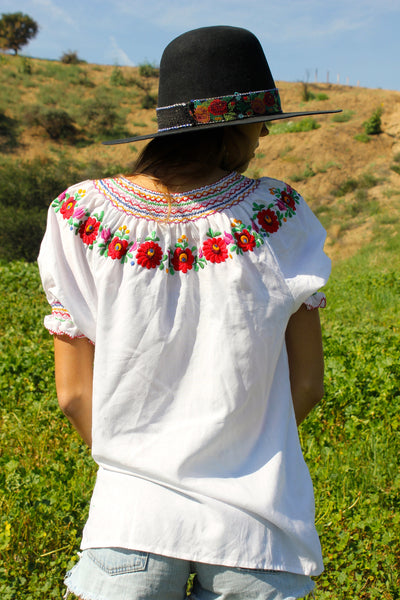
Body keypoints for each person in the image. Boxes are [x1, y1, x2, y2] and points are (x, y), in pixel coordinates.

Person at [38, 25, 338, 600]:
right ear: (228, 130)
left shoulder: (79, 214)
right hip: (257, 529)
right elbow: (307, 382)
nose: (267, 131)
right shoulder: (279, 213)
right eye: (259, 119)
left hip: (131, 520)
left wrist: (140, 462)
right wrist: (239, 447)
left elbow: (74, 395)